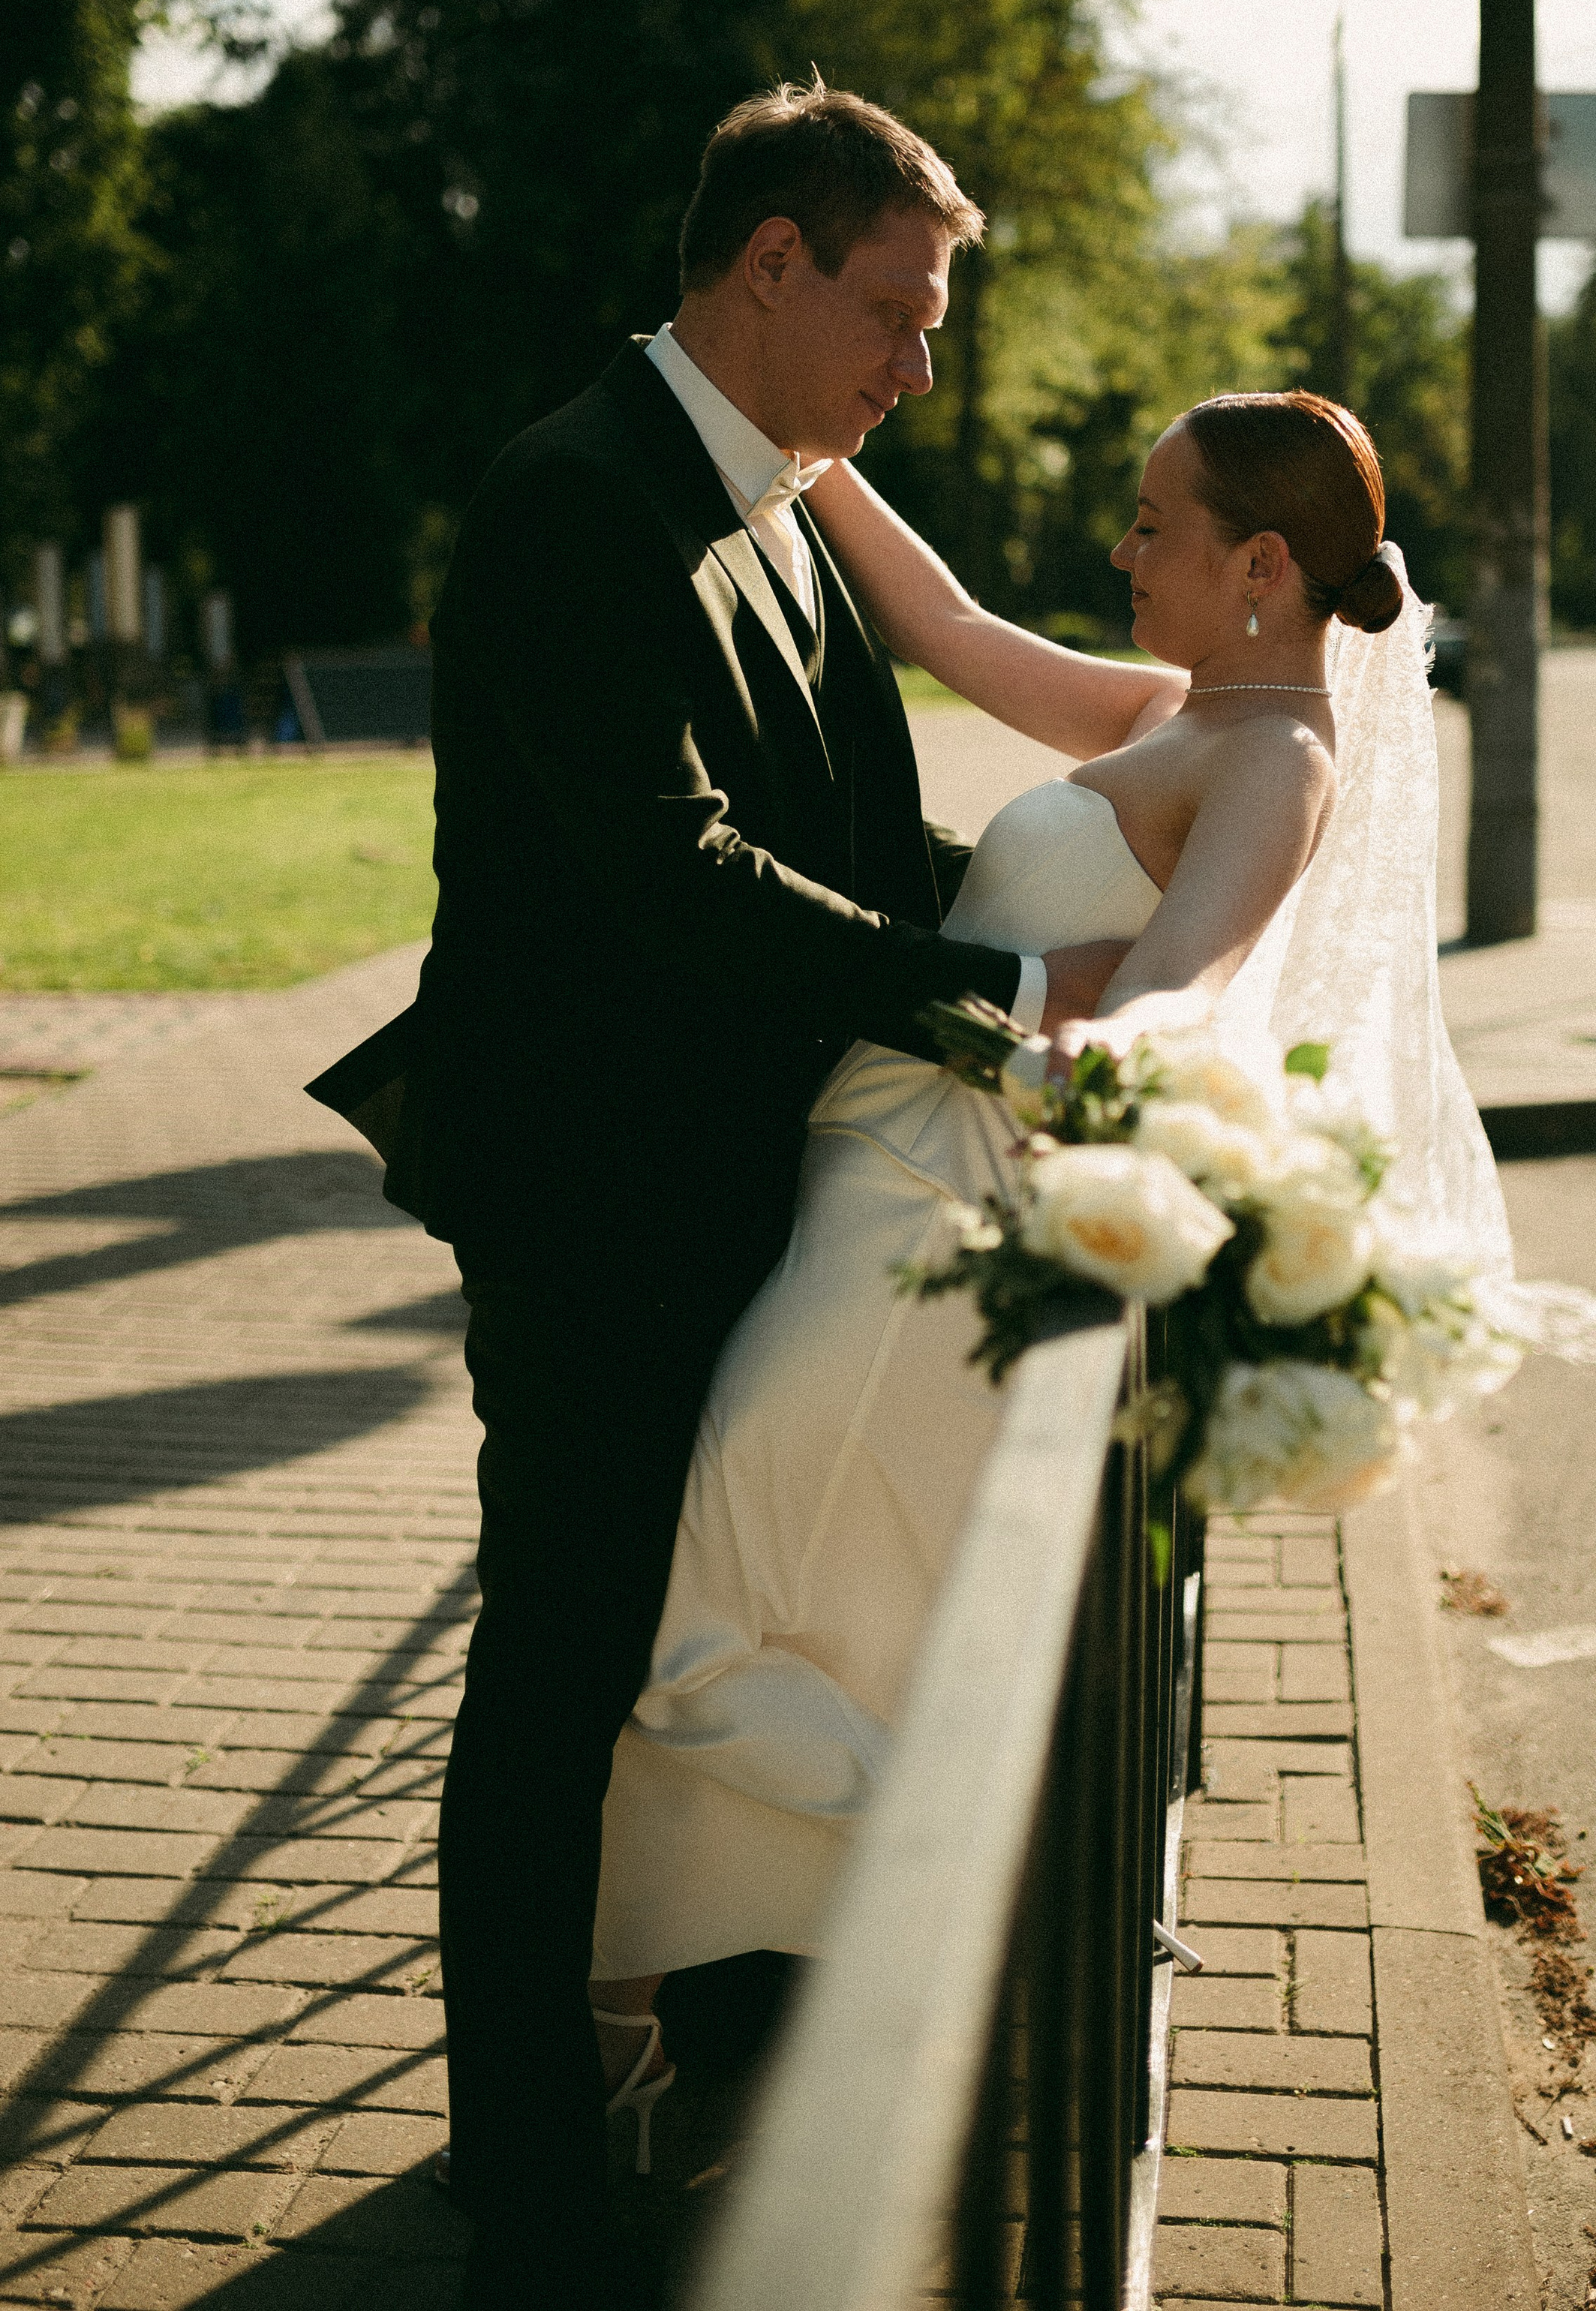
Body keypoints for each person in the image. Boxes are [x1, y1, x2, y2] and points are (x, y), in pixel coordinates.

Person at [305, 82, 1131, 2306]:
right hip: (590, 1190)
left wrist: (1071, 963)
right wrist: (988, 988)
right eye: (895, 307)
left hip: (743, 1168)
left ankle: (715, 2016)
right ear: (768, 261)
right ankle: (526, 2172)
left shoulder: (778, 500)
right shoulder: (575, 495)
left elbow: (857, 839)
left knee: (684, 1622)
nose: (918, 364)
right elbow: (671, 867)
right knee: (560, 1659)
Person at [585, 384, 1505, 2061]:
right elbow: (944, 626)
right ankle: (661, 1993)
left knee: (734, 1554)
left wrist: (1086, 1032)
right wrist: (799, 444)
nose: (1120, 544)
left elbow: (1179, 987)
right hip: (874, 1160)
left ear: (1260, 566)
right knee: (783, 1577)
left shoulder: (1275, 761)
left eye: (1153, 522)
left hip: (941, 1224)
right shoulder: (1174, 701)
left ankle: (711, 1976)